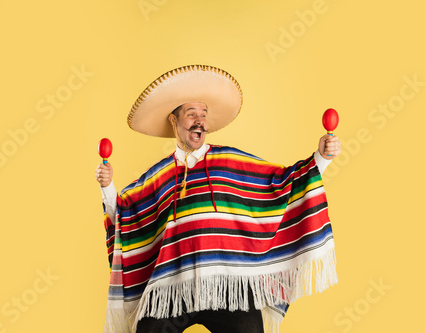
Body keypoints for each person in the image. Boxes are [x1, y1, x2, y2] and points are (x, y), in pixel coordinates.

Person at [96, 65, 341, 333]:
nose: (199, 121)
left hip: (227, 286)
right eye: (191, 114)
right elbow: (125, 215)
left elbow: (282, 183)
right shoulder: (159, 176)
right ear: (174, 120)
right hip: (173, 288)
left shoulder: (230, 161)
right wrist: (107, 187)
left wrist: (322, 158)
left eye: (203, 114)